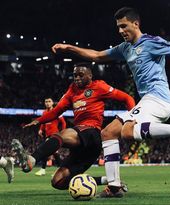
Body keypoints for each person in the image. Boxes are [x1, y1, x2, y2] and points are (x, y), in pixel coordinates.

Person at [50, 7, 170, 197]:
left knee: (126, 132)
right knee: (108, 133)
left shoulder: (152, 42)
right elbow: (96, 55)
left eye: (124, 26)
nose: (120, 31)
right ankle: (115, 186)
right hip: (148, 100)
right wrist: (68, 48)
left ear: (136, 24)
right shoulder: (125, 48)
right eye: (118, 27)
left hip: (159, 98)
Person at [11, 63, 135, 192]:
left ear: (90, 76)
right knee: (58, 181)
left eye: (81, 75)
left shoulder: (99, 86)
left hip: (92, 133)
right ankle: (108, 181)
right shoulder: (72, 90)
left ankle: (31, 160)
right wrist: (38, 121)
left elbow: (127, 98)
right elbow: (57, 110)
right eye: (75, 75)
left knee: (61, 135)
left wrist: (131, 119)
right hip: (84, 149)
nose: (77, 78)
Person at [35, 97, 66, 176]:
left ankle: (43, 169)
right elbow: (43, 122)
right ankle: (60, 169)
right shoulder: (44, 112)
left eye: (49, 101)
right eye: (46, 101)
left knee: (46, 151)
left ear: (52, 103)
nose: (47, 103)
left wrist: (63, 131)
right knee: (54, 152)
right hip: (47, 135)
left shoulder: (56, 111)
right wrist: (41, 129)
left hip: (54, 135)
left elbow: (63, 123)